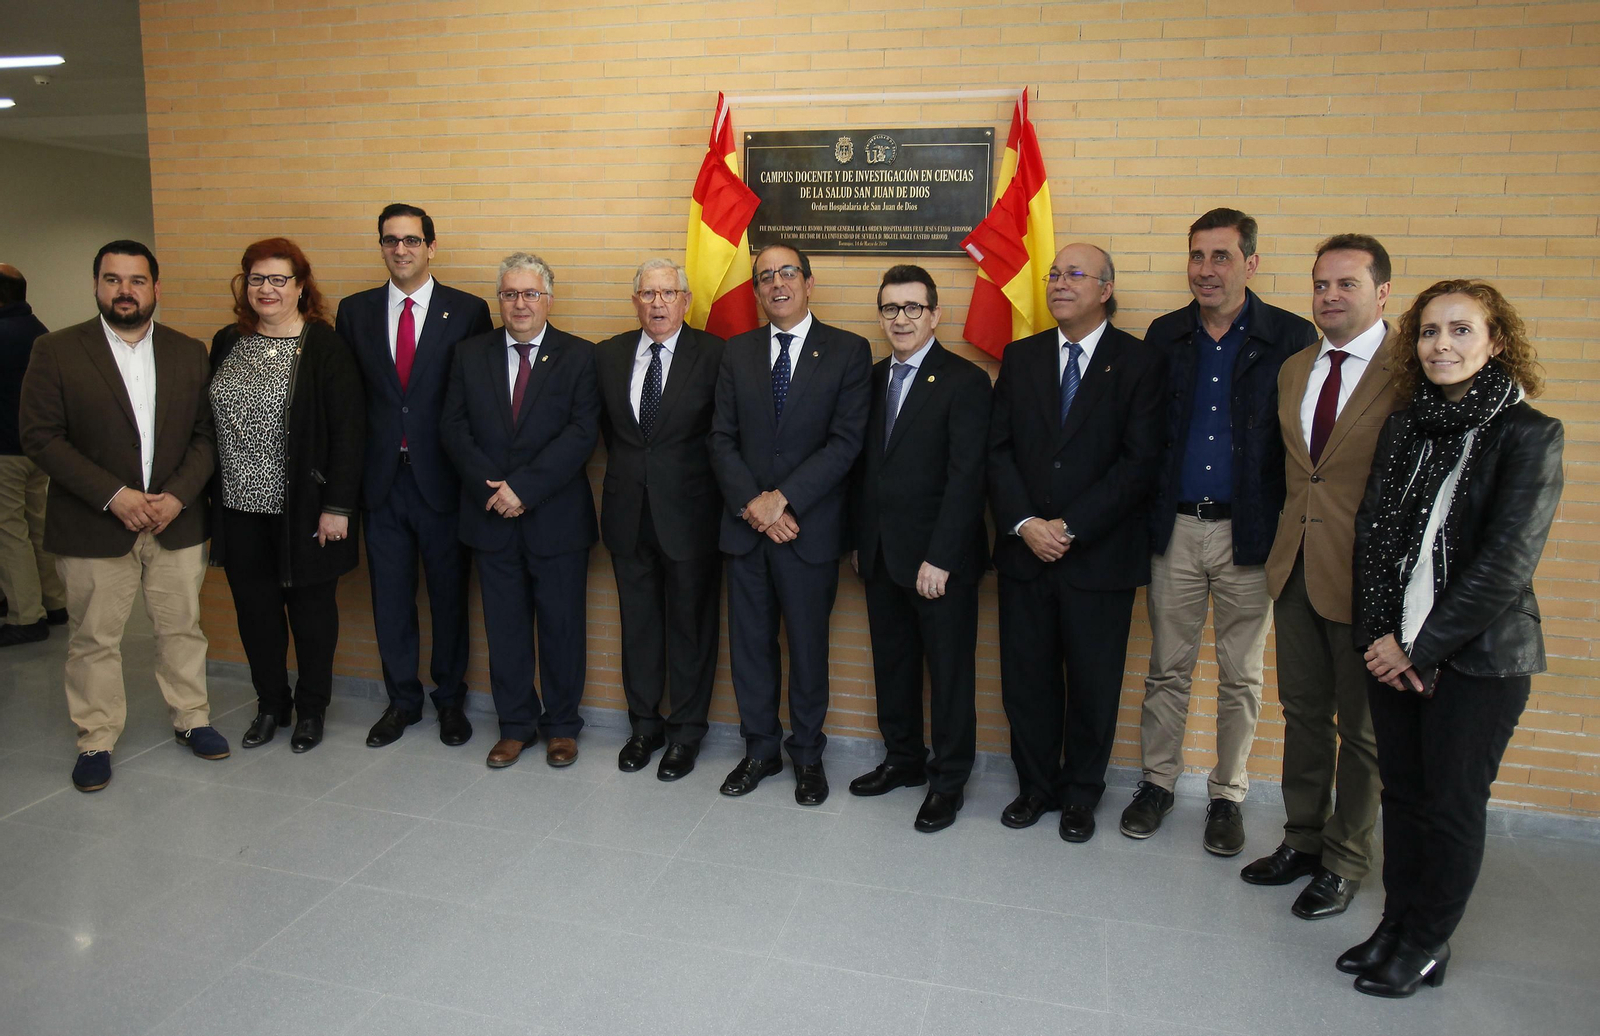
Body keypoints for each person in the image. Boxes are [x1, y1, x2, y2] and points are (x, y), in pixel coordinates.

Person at [1343, 280, 1563, 998]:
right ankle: (1397, 923)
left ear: (1496, 341)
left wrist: (1418, 647)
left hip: (1479, 659)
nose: (1442, 345)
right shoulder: (1405, 426)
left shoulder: (1530, 434)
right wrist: (1378, 635)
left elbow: (1506, 563)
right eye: (1431, 332)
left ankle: (1428, 942)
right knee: (1402, 797)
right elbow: (1375, 536)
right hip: (1393, 648)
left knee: (1451, 805)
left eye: (1461, 331)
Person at [1120, 208, 1318, 856]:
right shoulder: (1165, 334)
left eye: (1221, 257)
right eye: (1197, 256)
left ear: (1251, 263)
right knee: (1167, 668)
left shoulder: (1289, 337)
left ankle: (1228, 795)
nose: (1206, 270)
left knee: (1242, 675)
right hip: (1176, 527)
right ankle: (1157, 783)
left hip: (1250, 534)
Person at [19, 240, 225, 790]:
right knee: (93, 639)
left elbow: (207, 436)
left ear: (156, 287)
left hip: (174, 520)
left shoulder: (188, 351)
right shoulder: (56, 351)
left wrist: (178, 495)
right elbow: (40, 436)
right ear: (96, 286)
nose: (125, 290)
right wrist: (114, 495)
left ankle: (192, 718)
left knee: (182, 627)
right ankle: (96, 737)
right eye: (113, 280)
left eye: (136, 280)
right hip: (94, 522)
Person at [1244, 235, 1402, 919]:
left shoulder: (1409, 370)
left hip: (1370, 578)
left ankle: (1345, 860)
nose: (1329, 296)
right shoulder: (1297, 367)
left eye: (1346, 284)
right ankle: (1303, 840)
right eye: (1320, 285)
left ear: (1382, 293)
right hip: (1297, 568)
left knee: (1362, 733)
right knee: (1303, 713)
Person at [988, 243, 1165, 842]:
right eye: (1054, 274)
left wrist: (1067, 527)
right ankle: (1035, 787)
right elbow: (999, 451)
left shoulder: (1138, 362)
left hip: (1098, 556)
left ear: (1105, 289)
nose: (1060, 282)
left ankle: (1080, 795)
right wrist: (1023, 524)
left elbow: (1139, 463)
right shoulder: (1022, 357)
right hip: (1024, 553)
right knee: (1027, 681)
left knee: (1093, 684)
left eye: (1075, 274)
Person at [709, 243, 871, 806]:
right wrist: (756, 504)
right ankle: (760, 751)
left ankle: (807, 756)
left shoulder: (849, 351)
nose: (776, 284)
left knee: (806, 648)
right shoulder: (737, 352)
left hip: (808, 530)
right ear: (755, 290)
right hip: (747, 528)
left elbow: (846, 443)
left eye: (787, 273)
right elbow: (721, 440)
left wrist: (783, 501)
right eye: (764, 277)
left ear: (808, 282)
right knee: (751, 647)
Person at [336, 203, 493, 750]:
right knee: (391, 599)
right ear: (381, 246)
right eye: (389, 240)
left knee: (450, 599)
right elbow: (349, 404)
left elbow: (481, 399)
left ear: (431, 246)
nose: (400, 249)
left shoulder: (468, 311)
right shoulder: (353, 312)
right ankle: (401, 701)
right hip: (381, 483)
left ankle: (451, 701)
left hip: (445, 484)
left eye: (410, 240)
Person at [440, 252, 598, 770]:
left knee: (562, 628)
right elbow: (454, 429)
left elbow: (581, 434)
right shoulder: (469, 354)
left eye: (531, 293)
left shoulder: (579, 356)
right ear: (499, 300)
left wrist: (523, 489)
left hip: (554, 519)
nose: (520, 303)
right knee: (504, 629)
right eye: (510, 294)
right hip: (490, 517)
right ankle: (515, 727)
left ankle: (561, 727)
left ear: (548, 299)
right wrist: (493, 487)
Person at [207, 239, 365, 753]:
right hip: (238, 508)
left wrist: (338, 507)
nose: (267, 289)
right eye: (257, 279)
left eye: (279, 279)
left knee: (312, 615)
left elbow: (349, 430)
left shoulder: (323, 344)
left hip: (305, 510)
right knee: (255, 613)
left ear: (300, 285)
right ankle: (271, 704)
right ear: (244, 285)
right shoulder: (227, 340)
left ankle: (312, 708)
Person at [848, 265, 990, 833]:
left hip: (939, 563)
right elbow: (865, 472)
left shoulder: (964, 380)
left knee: (950, 673)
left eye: (912, 308)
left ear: (935, 314)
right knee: (894, 666)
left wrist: (943, 557)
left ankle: (948, 779)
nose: (900, 319)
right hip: (881, 555)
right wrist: (861, 541)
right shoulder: (872, 377)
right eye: (890, 308)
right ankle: (903, 760)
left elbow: (967, 478)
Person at [595, 259, 724, 781]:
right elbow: (608, 432)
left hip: (692, 517)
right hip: (628, 515)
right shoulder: (607, 356)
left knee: (692, 629)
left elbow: (724, 433)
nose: (657, 303)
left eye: (668, 293)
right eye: (647, 294)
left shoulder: (715, 354)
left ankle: (686, 734)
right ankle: (644, 726)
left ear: (685, 300)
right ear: (635, 302)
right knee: (640, 627)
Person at [0, 263, 67, 647]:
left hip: (4, 452)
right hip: (35, 450)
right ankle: (54, 602)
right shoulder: (40, 332)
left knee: (8, 532)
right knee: (36, 528)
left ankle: (25, 616)